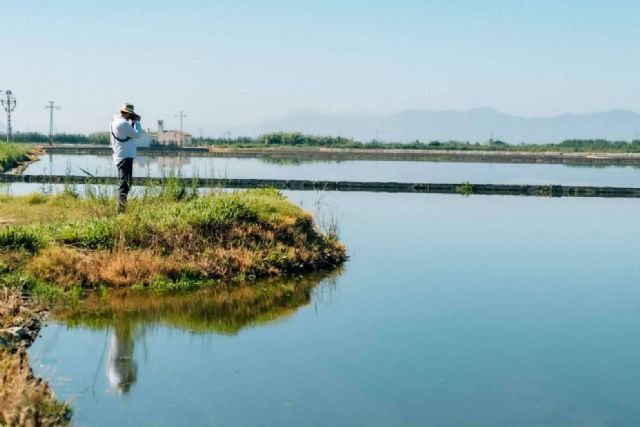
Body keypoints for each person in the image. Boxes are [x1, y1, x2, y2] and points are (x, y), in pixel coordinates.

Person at [110, 103, 144, 213]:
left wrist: (132, 123)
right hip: (125, 156)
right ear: (129, 114)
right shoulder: (123, 123)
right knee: (125, 185)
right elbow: (137, 135)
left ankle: (121, 210)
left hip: (120, 155)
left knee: (124, 184)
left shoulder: (114, 122)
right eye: (131, 115)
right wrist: (137, 122)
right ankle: (120, 211)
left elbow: (127, 135)